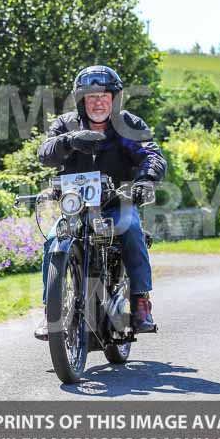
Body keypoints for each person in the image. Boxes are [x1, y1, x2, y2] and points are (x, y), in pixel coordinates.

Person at [33, 65, 167, 341]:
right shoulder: (66, 125)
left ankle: (141, 303)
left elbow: (151, 155)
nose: (98, 101)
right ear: (81, 101)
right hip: (76, 208)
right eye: (91, 96)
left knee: (130, 228)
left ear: (114, 99)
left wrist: (146, 179)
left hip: (117, 203)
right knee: (51, 240)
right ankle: (51, 313)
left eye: (104, 95)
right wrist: (69, 142)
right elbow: (45, 154)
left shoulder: (127, 126)